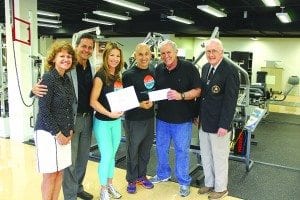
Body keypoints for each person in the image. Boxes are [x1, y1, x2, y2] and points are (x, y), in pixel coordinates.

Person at [32, 33, 96, 200]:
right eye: (84, 46)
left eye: (90, 47)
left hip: (84, 119)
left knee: (80, 159)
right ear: (77, 46)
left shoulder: (91, 67)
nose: (87, 50)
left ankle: (78, 188)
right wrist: (32, 91)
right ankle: (70, 195)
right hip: (59, 126)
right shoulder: (63, 70)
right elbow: (43, 99)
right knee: (65, 165)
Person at [149, 40, 201, 197]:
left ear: (175, 52)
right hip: (163, 119)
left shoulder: (189, 68)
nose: (166, 56)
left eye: (168, 52)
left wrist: (181, 95)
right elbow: (154, 90)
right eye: (163, 53)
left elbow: (198, 91)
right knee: (161, 148)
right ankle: (163, 174)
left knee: (181, 152)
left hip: (183, 120)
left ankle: (184, 181)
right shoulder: (158, 69)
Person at [197, 38, 239, 199]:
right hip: (204, 121)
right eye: (208, 51)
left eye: (214, 51)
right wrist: (197, 116)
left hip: (219, 124)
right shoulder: (206, 68)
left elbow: (231, 101)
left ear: (221, 52)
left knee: (219, 157)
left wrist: (224, 124)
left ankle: (221, 188)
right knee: (206, 155)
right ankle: (209, 183)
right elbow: (202, 96)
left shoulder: (230, 71)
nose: (211, 54)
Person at [34, 41, 76, 200]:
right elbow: (44, 110)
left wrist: (70, 129)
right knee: (50, 174)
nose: (66, 59)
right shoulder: (48, 78)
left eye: (69, 56)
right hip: (47, 132)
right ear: (53, 58)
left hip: (65, 132)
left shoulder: (66, 79)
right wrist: (58, 133)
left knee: (60, 171)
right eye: (62, 56)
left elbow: (69, 106)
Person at [90, 42, 124, 200]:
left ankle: (110, 184)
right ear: (106, 56)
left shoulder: (118, 76)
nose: (115, 59)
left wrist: (122, 107)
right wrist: (109, 113)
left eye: (117, 56)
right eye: (112, 55)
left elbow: (118, 97)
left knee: (113, 155)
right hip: (103, 122)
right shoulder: (100, 75)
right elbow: (93, 101)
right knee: (107, 154)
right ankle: (103, 188)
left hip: (116, 122)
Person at [122, 43, 155, 194]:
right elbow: (124, 100)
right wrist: (141, 105)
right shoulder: (128, 75)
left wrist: (154, 101)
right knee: (133, 151)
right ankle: (131, 179)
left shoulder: (153, 71)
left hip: (149, 118)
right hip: (134, 119)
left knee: (145, 151)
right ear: (135, 56)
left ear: (150, 55)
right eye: (140, 54)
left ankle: (142, 176)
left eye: (146, 54)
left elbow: (156, 91)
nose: (143, 57)